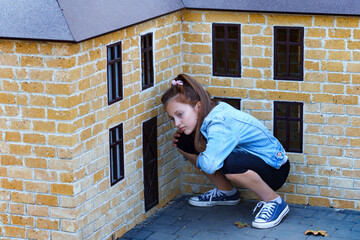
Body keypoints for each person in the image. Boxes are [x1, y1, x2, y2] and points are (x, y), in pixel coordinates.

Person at [161, 73, 291, 229]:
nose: (176, 123)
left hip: (275, 169)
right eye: (172, 118)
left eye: (180, 114)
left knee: (229, 163)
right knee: (183, 141)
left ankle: (274, 202)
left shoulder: (218, 122)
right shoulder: (208, 113)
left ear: (198, 106)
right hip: (253, 161)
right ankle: (226, 192)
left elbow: (209, 165)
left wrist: (205, 154)